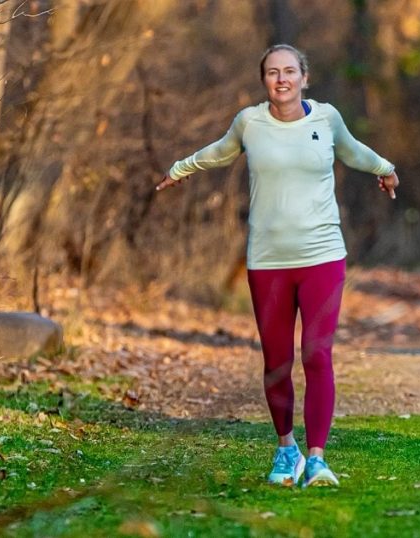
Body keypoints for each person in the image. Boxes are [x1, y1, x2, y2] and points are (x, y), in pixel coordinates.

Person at [156, 44, 399, 488]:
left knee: (317, 353)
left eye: (290, 72)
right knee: (277, 361)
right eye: (273, 73)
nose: (282, 80)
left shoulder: (326, 119)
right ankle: (287, 450)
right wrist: (180, 169)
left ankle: (319, 458)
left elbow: (353, 151)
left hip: (323, 256)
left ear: (305, 77)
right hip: (268, 262)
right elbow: (220, 151)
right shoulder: (250, 123)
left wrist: (385, 168)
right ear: (264, 79)